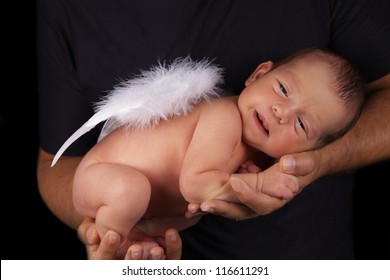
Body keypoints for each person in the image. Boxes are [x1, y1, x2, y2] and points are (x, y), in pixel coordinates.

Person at [36, 0, 390, 260]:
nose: (281, 113)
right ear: (258, 75)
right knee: (133, 192)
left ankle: (139, 239)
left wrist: (316, 166)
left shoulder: (249, 149)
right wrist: (259, 184)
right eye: (282, 90)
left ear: (309, 147)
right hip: (102, 176)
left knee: (183, 216)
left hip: (297, 255)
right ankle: (119, 238)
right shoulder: (224, 116)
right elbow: (194, 183)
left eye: (301, 124)